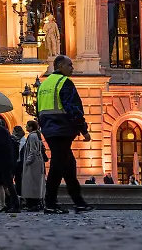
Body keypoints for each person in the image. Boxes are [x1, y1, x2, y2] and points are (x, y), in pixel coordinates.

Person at [36, 54, 92, 214]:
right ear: (60, 66)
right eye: (70, 65)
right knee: (57, 166)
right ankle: (50, 203)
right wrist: (83, 130)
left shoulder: (44, 85)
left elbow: (37, 110)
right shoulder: (64, 83)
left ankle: (79, 202)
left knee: (68, 165)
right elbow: (73, 108)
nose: (72, 68)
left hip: (49, 129)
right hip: (62, 128)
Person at [21, 120, 46, 211]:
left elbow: (33, 150)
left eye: (27, 126)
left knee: (31, 183)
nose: (26, 127)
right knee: (36, 183)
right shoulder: (37, 135)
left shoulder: (32, 136)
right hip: (38, 162)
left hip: (33, 163)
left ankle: (33, 204)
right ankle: (37, 203)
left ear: (31, 127)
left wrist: (27, 161)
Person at [11, 125, 25, 205]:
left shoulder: (22, 141)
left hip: (19, 163)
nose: (12, 133)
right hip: (17, 163)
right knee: (17, 180)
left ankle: (18, 196)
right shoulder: (18, 141)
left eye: (13, 131)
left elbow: (19, 153)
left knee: (18, 180)